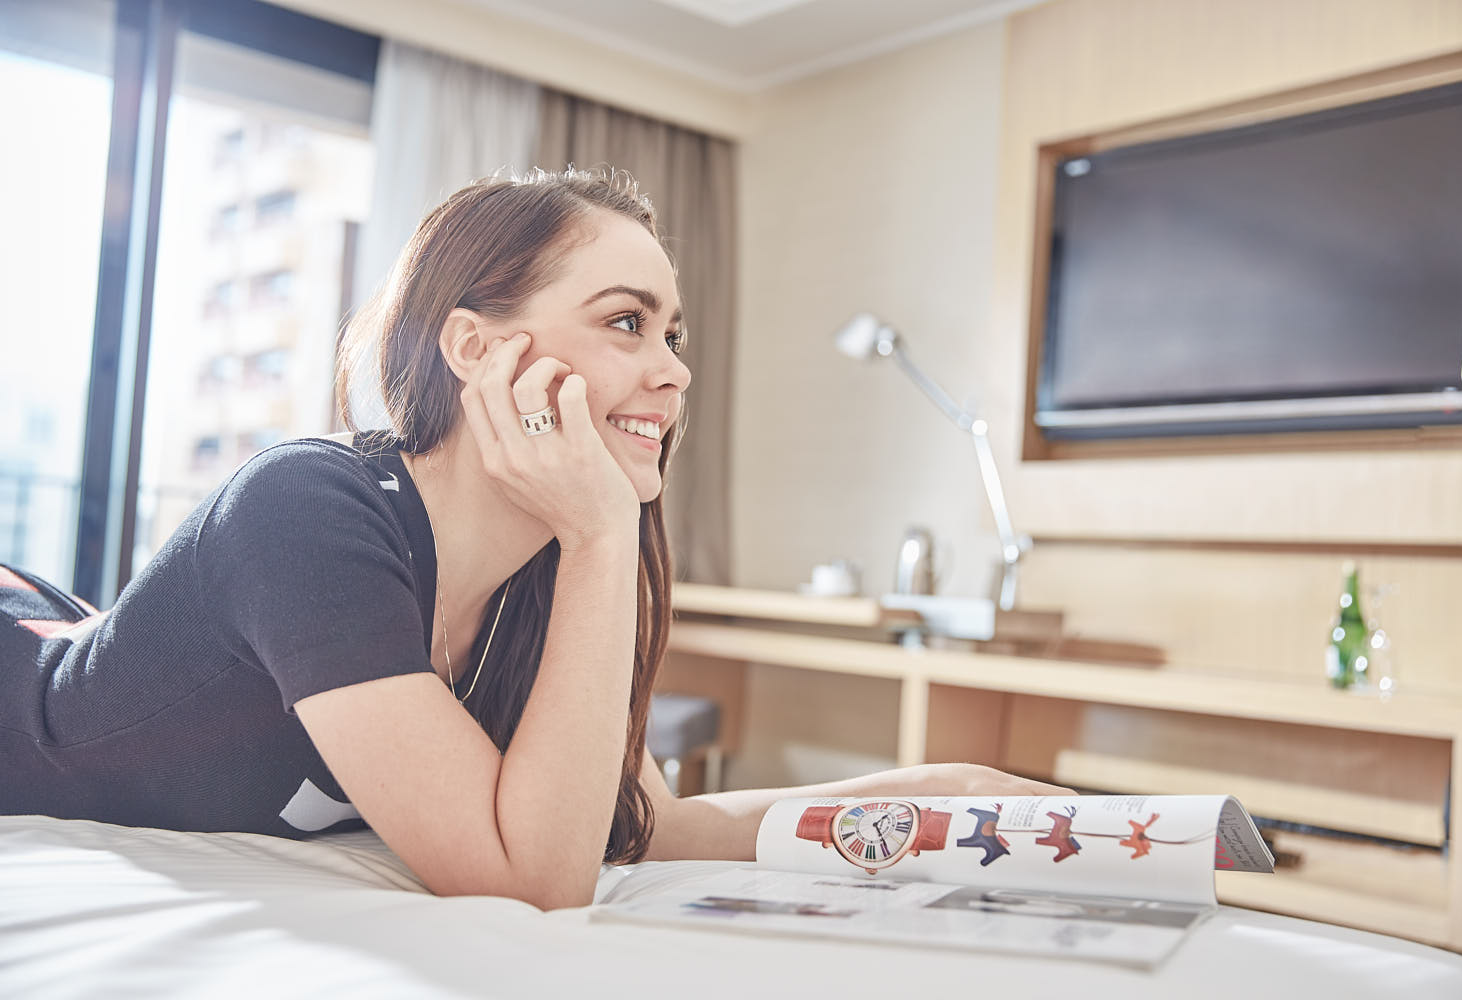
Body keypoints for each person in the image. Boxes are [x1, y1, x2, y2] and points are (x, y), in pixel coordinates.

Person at [0, 167, 1065, 909]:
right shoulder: (305, 510)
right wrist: (603, 534)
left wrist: (938, 794)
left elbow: (648, 826)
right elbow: (528, 877)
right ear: (475, 348)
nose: (675, 371)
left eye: (672, 333)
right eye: (626, 322)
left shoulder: (541, 571)